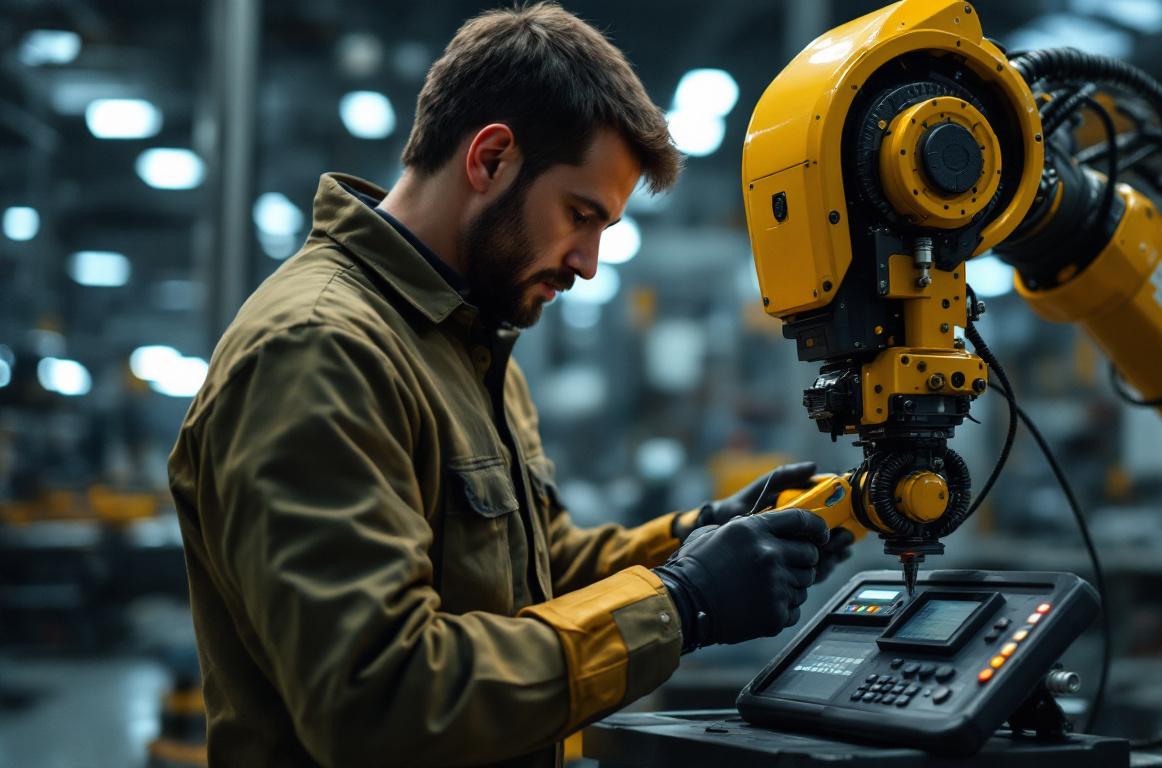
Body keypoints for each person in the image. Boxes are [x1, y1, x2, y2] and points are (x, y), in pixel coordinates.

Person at [167, 4, 854, 767]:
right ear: (490, 158)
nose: (588, 262)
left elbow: (537, 571)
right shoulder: (320, 349)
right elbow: (378, 699)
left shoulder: (468, 342)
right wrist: (681, 603)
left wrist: (698, 541)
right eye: (580, 214)